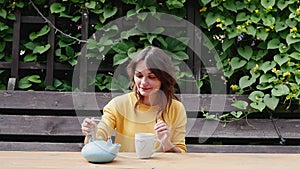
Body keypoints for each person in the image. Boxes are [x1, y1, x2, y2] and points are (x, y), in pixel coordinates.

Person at [81, 46, 187, 153]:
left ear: (163, 78)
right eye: (139, 75)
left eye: (151, 77)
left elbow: (181, 155)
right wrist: (91, 132)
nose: (144, 82)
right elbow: (98, 139)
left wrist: (166, 142)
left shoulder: (176, 109)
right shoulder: (119, 104)